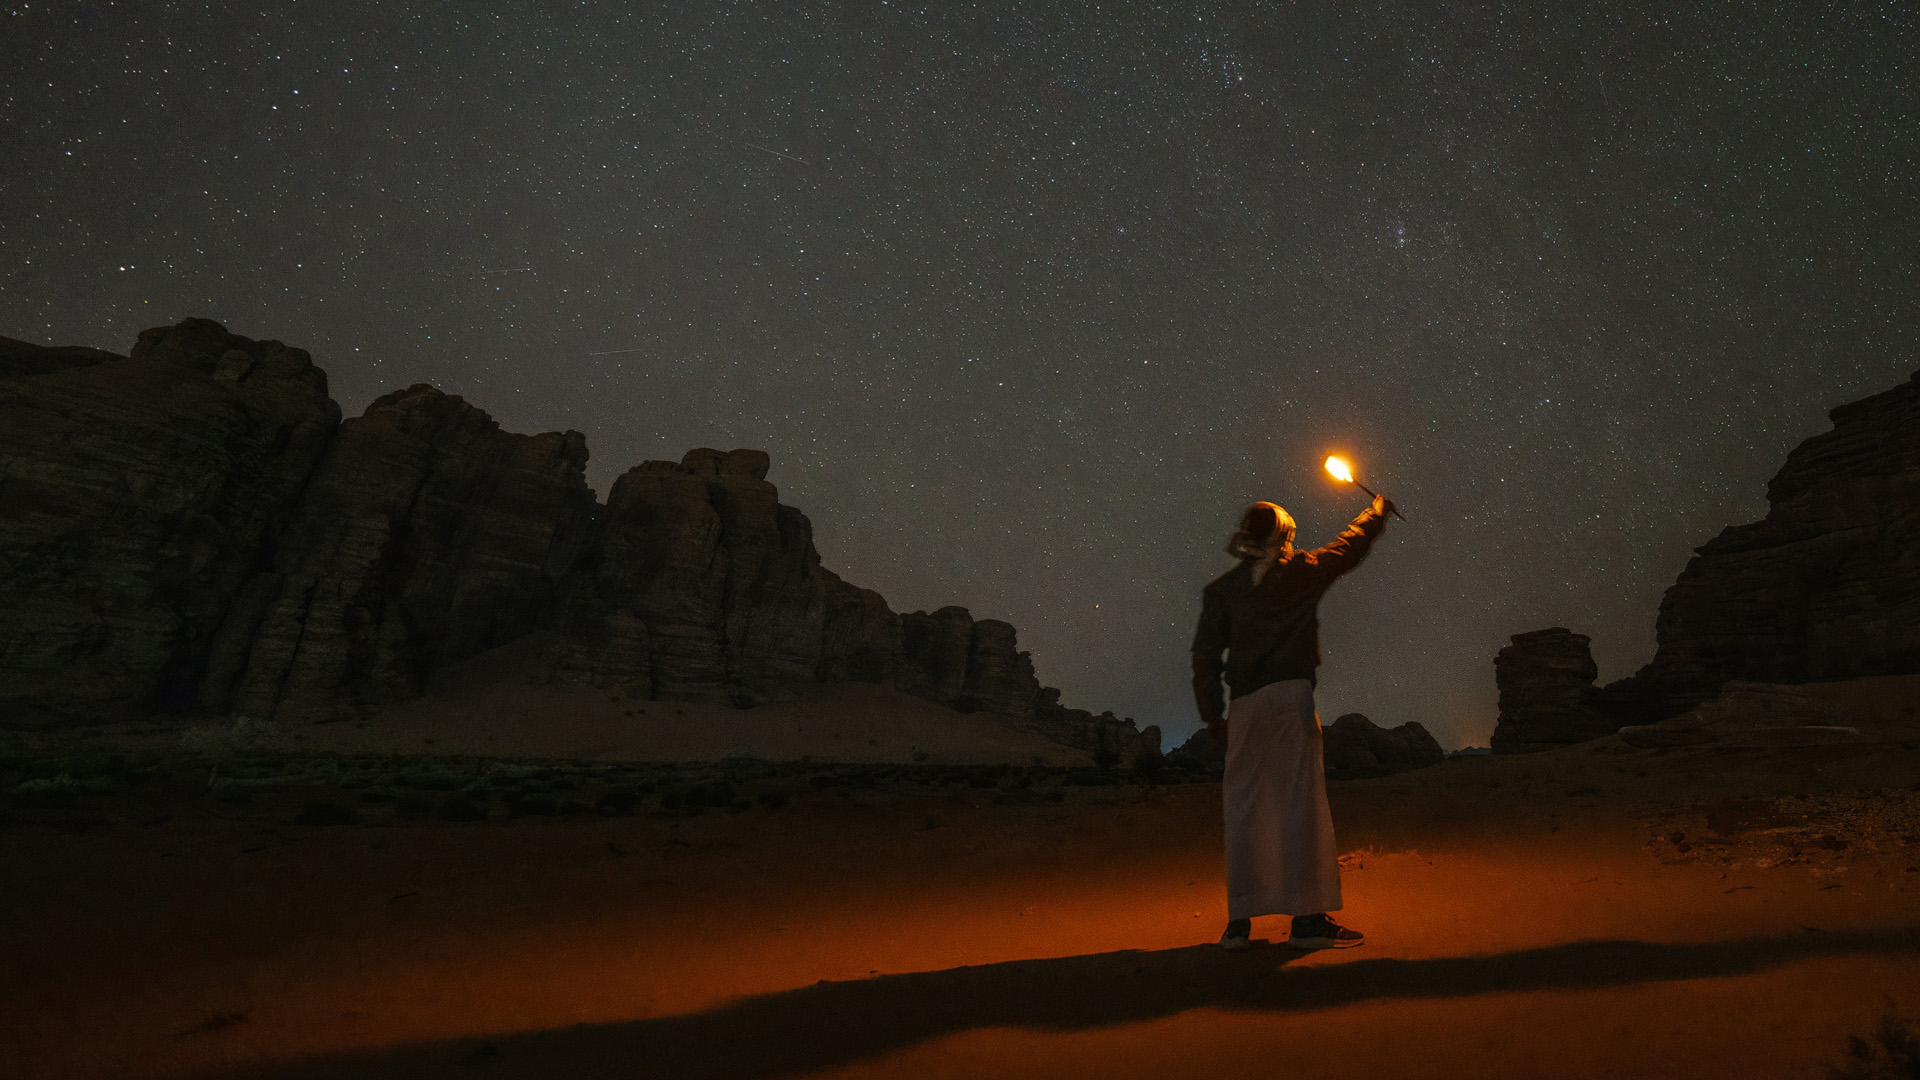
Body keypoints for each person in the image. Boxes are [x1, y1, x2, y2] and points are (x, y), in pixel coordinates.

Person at [1191, 494, 1391, 951]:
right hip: (1289, 698)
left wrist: (1212, 716)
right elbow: (1348, 547)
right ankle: (1306, 923)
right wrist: (1375, 513)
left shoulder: (1221, 590)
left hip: (1243, 706)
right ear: (1283, 537)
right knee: (1298, 805)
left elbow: (1204, 657)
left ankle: (1238, 925)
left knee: (1244, 807)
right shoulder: (1301, 572)